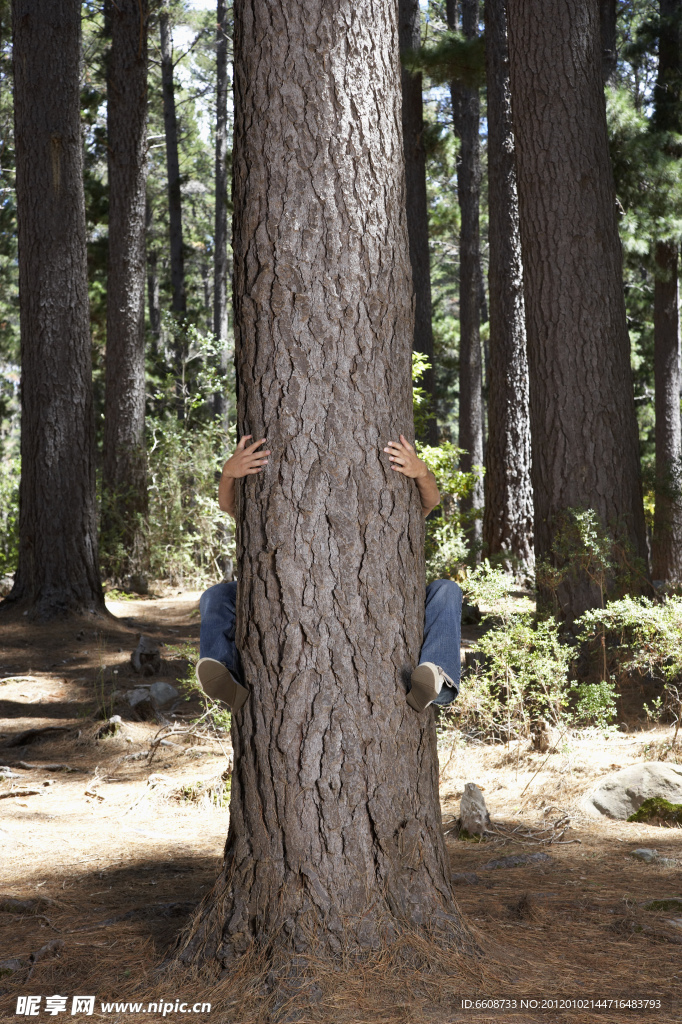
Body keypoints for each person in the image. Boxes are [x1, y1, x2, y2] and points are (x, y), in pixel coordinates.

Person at [196, 434, 463, 714]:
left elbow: (429, 501)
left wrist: (421, 471)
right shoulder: (286, 519)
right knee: (217, 596)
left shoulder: (390, 515)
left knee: (447, 590)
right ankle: (226, 676)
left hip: (392, 603)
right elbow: (232, 507)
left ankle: (438, 683)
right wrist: (228, 474)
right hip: (288, 600)